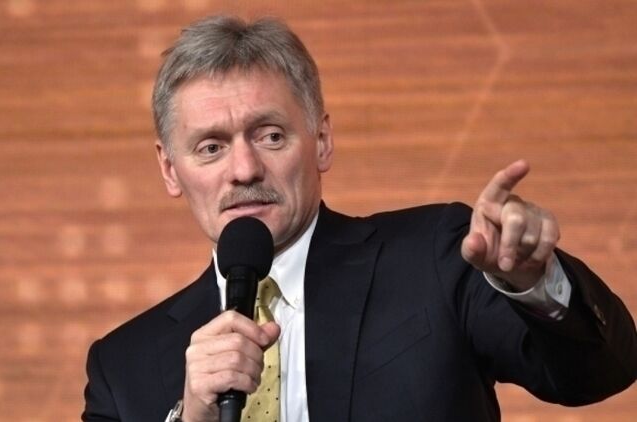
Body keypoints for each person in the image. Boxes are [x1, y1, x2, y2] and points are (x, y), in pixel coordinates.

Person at [82, 15, 637, 422]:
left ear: (321, 141)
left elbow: (602, 372)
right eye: (211, 147)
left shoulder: (434, 258)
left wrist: (534, 283)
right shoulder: (122, 367)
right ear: (170, 169)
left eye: (270, 135)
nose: (244, 169)